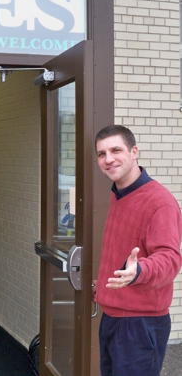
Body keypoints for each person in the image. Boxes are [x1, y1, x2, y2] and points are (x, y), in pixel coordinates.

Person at [93, 125, 182, 376]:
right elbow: (122, 251)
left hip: (140, 325)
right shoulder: (119, 194)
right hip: (112, 319)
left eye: (116, 150)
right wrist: (103, 283)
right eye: (101, 154)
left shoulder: (159, 201)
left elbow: (170, 258)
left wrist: (139, 271)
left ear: (134, 152)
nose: (108, 159)